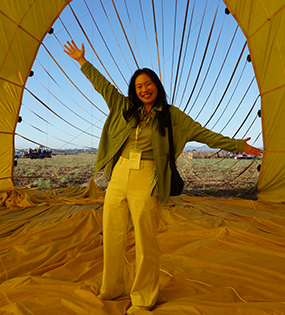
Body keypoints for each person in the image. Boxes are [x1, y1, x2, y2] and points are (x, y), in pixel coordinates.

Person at [63, 40, 262, 313]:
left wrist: (238, 145)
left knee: (146, 239)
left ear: (157, 85)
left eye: (148, 84)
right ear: (134, 90)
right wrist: (82, 61)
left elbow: (204, 134)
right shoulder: (122, 107)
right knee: (112, 234)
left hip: (147, 176)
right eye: (139, 86)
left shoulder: (172, 116)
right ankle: (113, 288)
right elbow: (103, 86)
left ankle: (143, 296)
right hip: (119, 174)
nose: (144, 89)